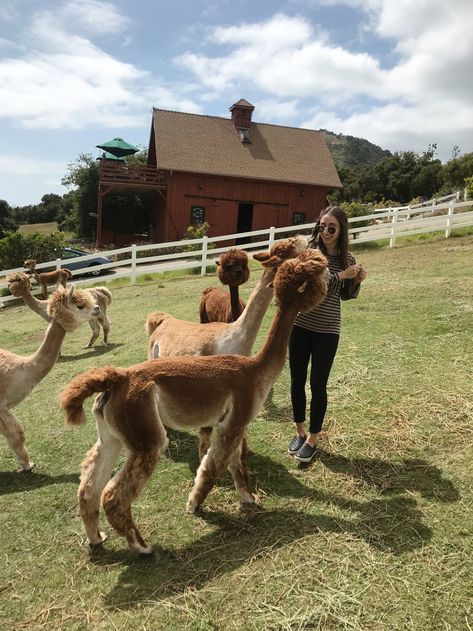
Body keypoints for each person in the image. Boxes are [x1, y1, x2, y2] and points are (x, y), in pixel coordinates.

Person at [287, 205, 367, 463]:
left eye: (331, 228)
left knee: (318, 385)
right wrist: (343, 276)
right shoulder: (310, 254)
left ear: (341, 230)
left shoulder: (348, 260)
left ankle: (312, 437)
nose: (326, 232)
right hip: (301, 326)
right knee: (296, 380)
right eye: (322, 226)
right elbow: (314, 285)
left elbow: (344, 296)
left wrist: (355, 282)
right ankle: (299, 431)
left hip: (328, 331)